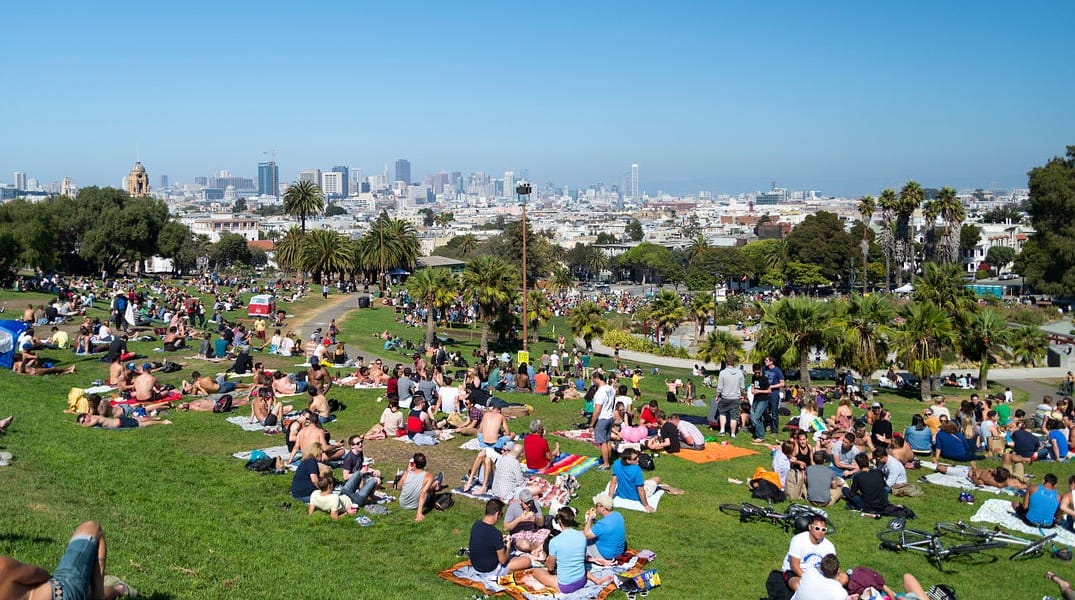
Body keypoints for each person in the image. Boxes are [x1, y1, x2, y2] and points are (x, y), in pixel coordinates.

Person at [0, 521, 137, 599]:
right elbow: (40, 574)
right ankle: (116, 590)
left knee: (80, 589)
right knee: (92, 528)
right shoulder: (3, 566)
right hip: (60, 595)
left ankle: (117, 589)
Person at [530, 507, 612, 593]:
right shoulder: (582, 536)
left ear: (560, 521)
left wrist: (548, 563)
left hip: (566, 586)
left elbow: (550, 567)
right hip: (582, 580)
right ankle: (595, 579)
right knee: (578, 564)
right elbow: (582, 557)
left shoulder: (555, 541)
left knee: (536, 571)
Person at [470, 499, 533, 576]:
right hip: (490, 569)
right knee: (526, 561)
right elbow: (503, 561)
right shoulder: (495, 533)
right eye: (501, 514)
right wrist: (508, 545)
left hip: (476, 566)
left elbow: (485, 540)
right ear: (497, 514)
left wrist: (500, 540)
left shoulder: (476, 525)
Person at [782, 514, 837, 592]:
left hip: (818, 573)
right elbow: (794, 566)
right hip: (796, 572)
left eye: (823, 529)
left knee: (843, 578)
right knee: (797, 585)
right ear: (810, 527)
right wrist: (810, 580)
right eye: (817, 528)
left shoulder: (829, 546)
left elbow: (832, 566)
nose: (820, 532)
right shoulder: (798, 540)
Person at [610, 448, 660, 513]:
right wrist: (646, 505)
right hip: (636, 497)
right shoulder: (637, 469)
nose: (638, 459)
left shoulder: (616, 463)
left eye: (637, 457)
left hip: (621, 494)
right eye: (635, 458)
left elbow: (613, 482)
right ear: (628, 460)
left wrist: (610, 498)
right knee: (657, 479)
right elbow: (640, 490)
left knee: (643, 481)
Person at [396, 452, 442, 523]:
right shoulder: (429, 476)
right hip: (415, 505)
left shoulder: (407, 474)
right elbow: (423, 494)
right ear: (425, 464)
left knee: (424, 487)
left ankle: (435, 485)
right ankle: (436, 484)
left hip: (403, 504)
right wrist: (419, 513)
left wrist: (407, 471)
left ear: (414, 464)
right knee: (428, 490)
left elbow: (398, 487)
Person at [584, 493, 626, 564]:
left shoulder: (603, 524)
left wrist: (589, 518)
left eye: (597, 505)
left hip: (605, 555)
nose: (596, 508)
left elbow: (586, 535)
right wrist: (593, 521)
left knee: (579, 540)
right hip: (619, 552)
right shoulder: (618, 515)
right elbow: (605, 529)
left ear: (603, 508)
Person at [712, 355, 746, 437]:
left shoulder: (723, 373)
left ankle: (722, 430)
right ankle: (733, 434)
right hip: (735, 398)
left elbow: (720, 387)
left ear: (726, 362)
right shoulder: (740, 373)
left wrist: (717, 395)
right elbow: (742, 387)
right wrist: (743, 395)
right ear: (734, 362)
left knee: (722, 413)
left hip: (725, 397)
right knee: (734, 417)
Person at [589, 371, 616, 470]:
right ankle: (609, 459)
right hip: (610, 416)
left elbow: (597, 410)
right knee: (607, 440)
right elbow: (613, 402)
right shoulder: (611, 388)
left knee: (602, 442)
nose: (592, 381)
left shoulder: (600, 392)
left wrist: (592, 424)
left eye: (592, 379)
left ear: (596, 378)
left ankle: (606, 464)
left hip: (602, 418)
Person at [749, 364, 772, 442]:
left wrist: (759, 391)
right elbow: (753, 384)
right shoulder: (753, 377)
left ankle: (761, 436)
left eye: (759, 372)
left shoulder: (764, 379)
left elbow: (769, 390)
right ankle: (758, 430)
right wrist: (752, 389)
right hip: (756, 399)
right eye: (756, 373)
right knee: (752, 415)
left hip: (763, 399)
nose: (757, 374)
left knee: (756, 417)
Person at [77, 413, 172, 429]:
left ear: (87, 416)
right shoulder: (93, 416)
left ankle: (162, 422)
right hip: (120, 420)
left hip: (121, 423)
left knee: (142, 424)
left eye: (84, 420)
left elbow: (88, 426)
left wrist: (81, 425)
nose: (85, 422)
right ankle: (156, 418)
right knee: (138, 419)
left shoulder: (95, 419)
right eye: (83, 421)